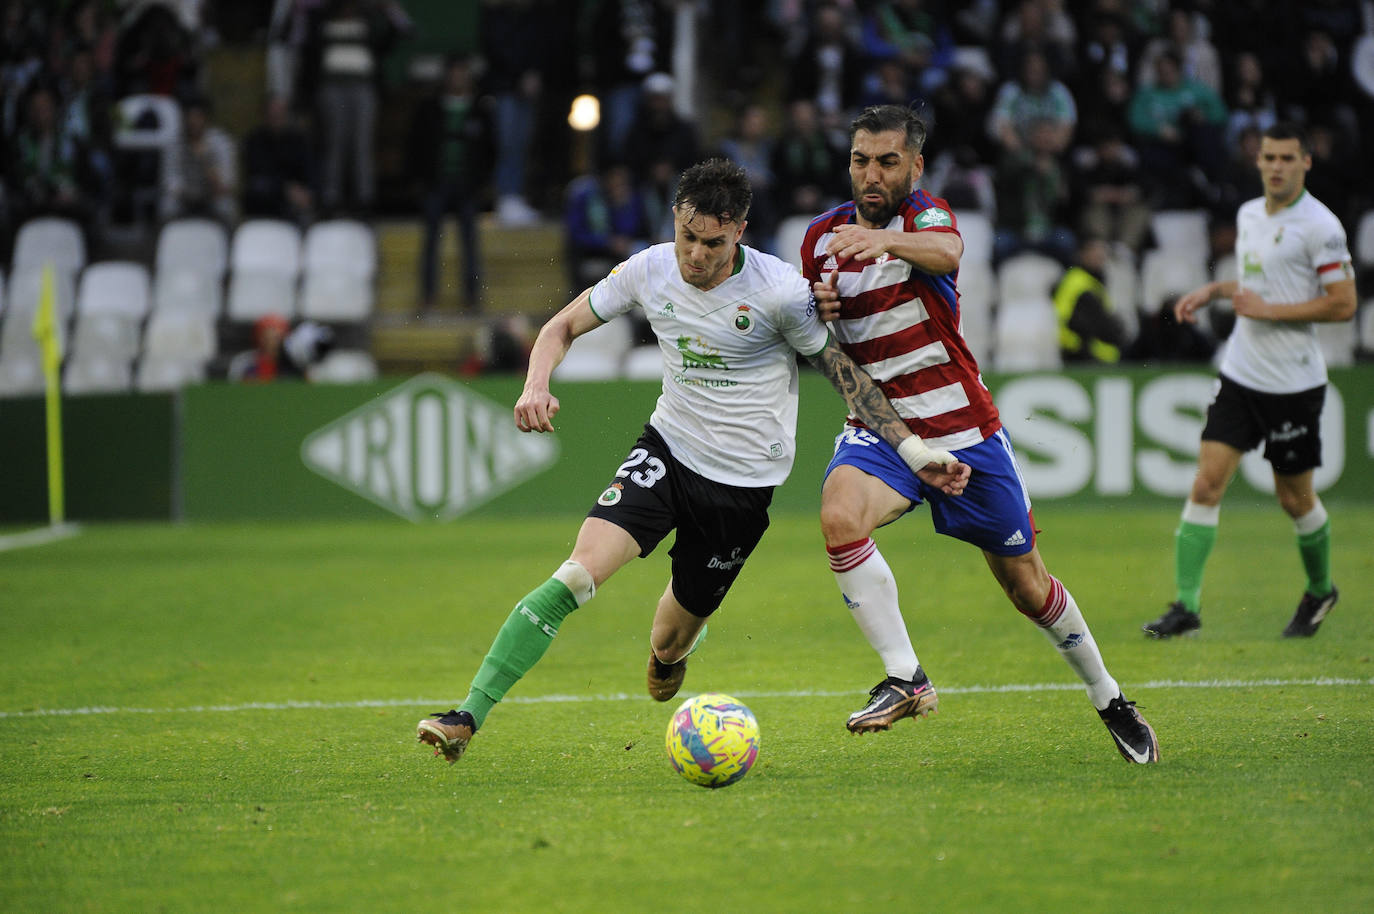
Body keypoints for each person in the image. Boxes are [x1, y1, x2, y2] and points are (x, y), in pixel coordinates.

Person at [415, 158, 971, 764]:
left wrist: (914, 452)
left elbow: (847, 378)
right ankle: (467, 714)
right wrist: (535, 384)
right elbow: (560, 327)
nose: (697, 256)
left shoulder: (781, 293)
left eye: (713, 243)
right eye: (688, 237)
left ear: (740, 232)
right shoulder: (650, 269)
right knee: (577, 574)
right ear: (675, 220)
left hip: (741, 490)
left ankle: (675, 649)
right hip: (667, 451)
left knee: (667, 651)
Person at [803, 105, 1158, 764]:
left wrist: (882, 242)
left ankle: (1110, 699)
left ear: (915, 164)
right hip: (881, 431)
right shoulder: (820, 237)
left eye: (886, 160)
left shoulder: (927, 218)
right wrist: (816, 313)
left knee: (1027, 587)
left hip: (964, 431)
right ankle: (906, 677)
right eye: (860, 160)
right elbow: (817, 341)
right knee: (838, 517)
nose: (871, 174)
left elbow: (948, 251)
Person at [1141, 122, 1357, 640]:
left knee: (1294, 499)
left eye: (1287, 158)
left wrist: (1270, 310)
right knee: (1206, 481)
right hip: (1241, 374)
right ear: (1258, 161)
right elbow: (1259, 280)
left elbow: (1344, 303)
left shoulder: (1321, 226)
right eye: (1269, 157)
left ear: (1306, 162)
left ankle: (1321, 588)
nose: (1277, 166)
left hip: (1293, 386)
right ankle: (1186, 607)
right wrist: (1213, 290)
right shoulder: (1249, 214)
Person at [407, 53, 494, 313]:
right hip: (436, 183)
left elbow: (491, 149)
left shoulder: (481, 109)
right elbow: (415, 146)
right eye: (453, 72)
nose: (458, 78)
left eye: (462, 72)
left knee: (470, 242)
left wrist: (483, 181)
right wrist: (418, 180)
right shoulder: (429, 108)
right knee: (431, 242)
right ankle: (427, 297)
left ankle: (471, 297)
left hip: (468, 185)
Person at [1053, 235, 1128, 363]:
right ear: (1082, 254)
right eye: (1094, 251)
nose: (1100, 255)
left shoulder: (1091, 280)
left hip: (1095, 355)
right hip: (1085, 357)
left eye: (1102, 251)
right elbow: (1069, 320)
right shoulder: (1077, 282)